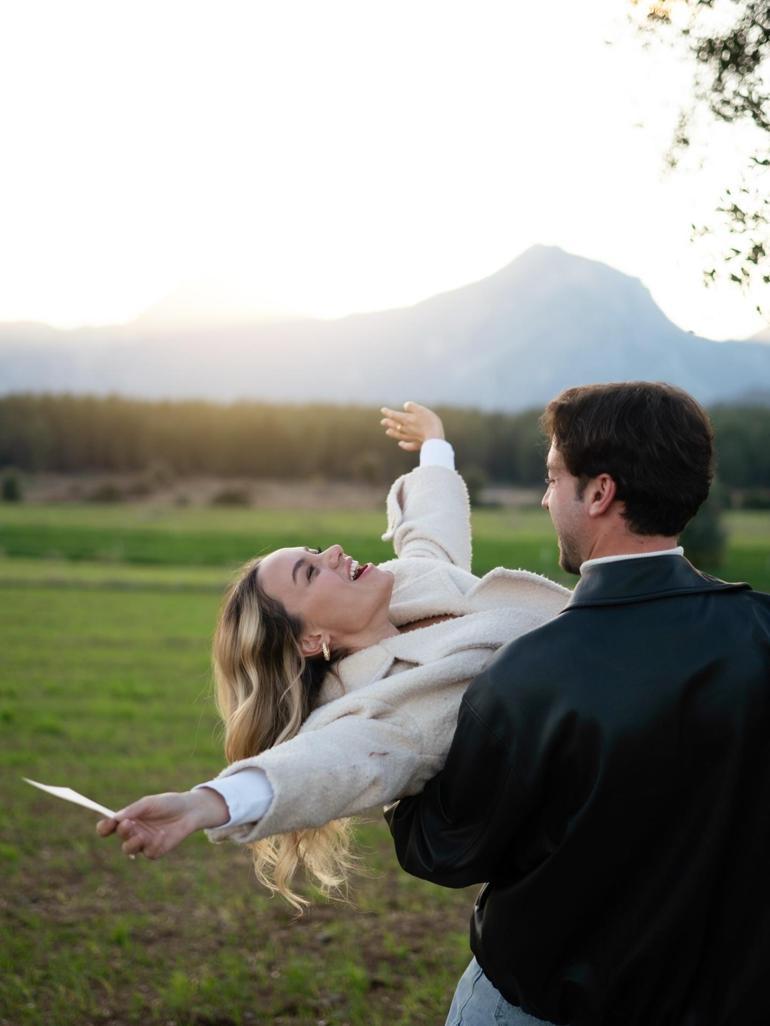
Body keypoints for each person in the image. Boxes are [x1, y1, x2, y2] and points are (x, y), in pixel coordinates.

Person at [387, 381, 770, 1026]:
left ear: (599, 493)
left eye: (552, 478)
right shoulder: (762, 631)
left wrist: (391, 736)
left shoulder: (529, 673)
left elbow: (444, 852)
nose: (544, 499)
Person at [97, 401, 569, 908]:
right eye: (310, 572)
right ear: (308, 639)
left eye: (315, 552)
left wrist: (434, 442)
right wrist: (208, 802)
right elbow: (327, 764)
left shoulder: (409, 583)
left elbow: (429, 530)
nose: (336, 553)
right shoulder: (373, 710)